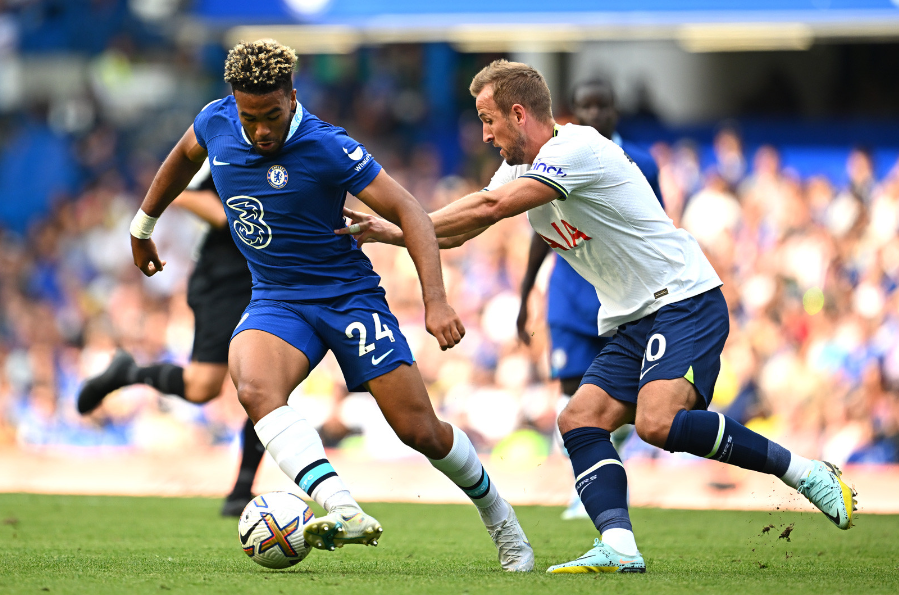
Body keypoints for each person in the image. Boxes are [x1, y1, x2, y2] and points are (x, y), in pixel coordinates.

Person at [341, 59, 858, 574]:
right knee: (580, 419)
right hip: (632, 318)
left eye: (488, 119)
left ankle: (807, 473)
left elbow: (488, 209)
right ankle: (619, 546)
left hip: (682, 298)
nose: (484, 134)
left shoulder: (578, 148)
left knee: (657, 423)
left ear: (518, 114)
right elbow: (459, 228)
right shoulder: (516, 168)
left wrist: (405, 217)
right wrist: (393, 233)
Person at [126, 40, 533, 571]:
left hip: (348, 298)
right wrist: (143, 224)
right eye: (251, 118)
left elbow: (409, 210)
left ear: (293, 97)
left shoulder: (327, 146)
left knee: (421, 432)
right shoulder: (215, 121)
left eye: (272, 115)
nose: (262, 130)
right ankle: (343, 509)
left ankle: (502, 520)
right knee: (253, 386)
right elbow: (182, 158)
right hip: (277, 298)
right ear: (233, 104)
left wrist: (436, 301)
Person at [77, 159, 264, 517]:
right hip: (223, 279)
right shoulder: (227, 148)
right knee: (201, 388)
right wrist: (228, 212)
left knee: (266, 382)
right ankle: (127, 373)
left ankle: (242, 488)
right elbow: (183, 192)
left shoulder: (300, 145)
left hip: (272, 278)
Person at [515, 79, 662, 520]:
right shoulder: (557, 158)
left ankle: (604, 472)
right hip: (571, 296)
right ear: (573, 112)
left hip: (621, 297)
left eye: (603, 106)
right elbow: (543, 229)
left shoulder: (643, 161)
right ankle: (586, 485)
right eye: (585, 106)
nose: (595, 114)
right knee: (570, 393)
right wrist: (525, 295)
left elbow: (655, 225)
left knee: (619, 400)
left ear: (616, 110)